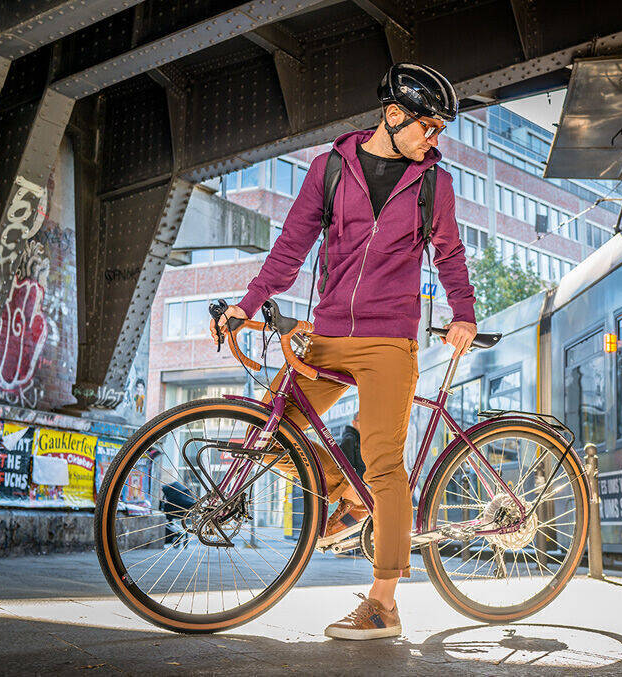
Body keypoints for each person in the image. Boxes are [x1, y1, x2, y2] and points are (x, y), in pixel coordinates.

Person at [210, 62, 477, 640]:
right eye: (428, 126)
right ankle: (342, 493)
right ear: (394, 114)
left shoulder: (434, 184)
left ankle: (383, 604)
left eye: (440, 130)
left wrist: (464, 314)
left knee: (384, 464)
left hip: (389, 340)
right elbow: (293, 244)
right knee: (271, 429)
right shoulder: (330, 168)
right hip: (329, 334)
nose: (435, 138)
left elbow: (450, 255)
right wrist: (250, 303)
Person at [339, 412, 367, 480]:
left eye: (365, 421)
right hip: (360, 486)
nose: (364, 424)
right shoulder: (349, 440)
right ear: (354, 423)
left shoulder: (363, 439)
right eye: (361, 421)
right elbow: (348, 471)